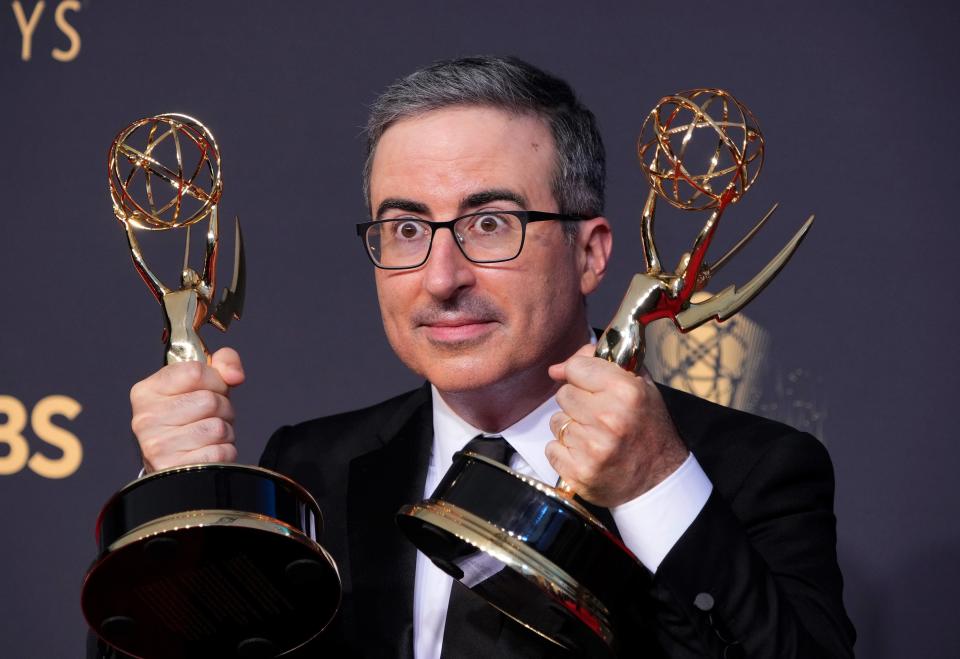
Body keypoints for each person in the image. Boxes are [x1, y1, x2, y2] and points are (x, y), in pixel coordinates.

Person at [120, 56, 855, 657]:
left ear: (591, 253)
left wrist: (654, 488)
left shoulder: (750, 473)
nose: (443, 278)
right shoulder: (313, 467)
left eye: (491, 222)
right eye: (406, 230)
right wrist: (173, 512)